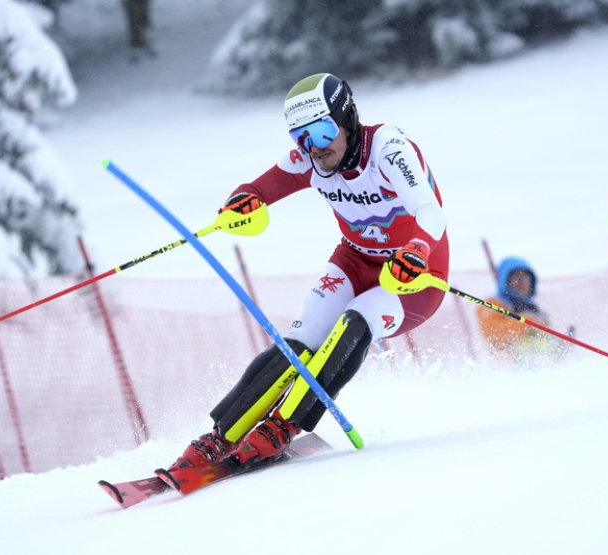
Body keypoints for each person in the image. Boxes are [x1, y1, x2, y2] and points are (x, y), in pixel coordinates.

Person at [168, 73, 449, 470]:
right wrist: (241, 202)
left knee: (355, 322)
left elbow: (429, 210)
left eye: (320, 132)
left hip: (413, 276)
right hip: (355, 260)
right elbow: (258, 189)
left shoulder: (388, 149)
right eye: (300, 137)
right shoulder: (309, 159)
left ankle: (283, 427)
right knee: (298, 343)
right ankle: (219, 438)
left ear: (346, 119)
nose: (313, 148)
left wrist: (416, 250)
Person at [477, 257, 564, 364]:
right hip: (511, 371)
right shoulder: (493, 304)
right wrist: (529, 321)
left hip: (544, 369)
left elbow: (545, 346)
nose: (521, 282)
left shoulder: (534, 309)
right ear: (505, 280)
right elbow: (493, 333)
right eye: (516, 277)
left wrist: (561, 349)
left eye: (525, 277)